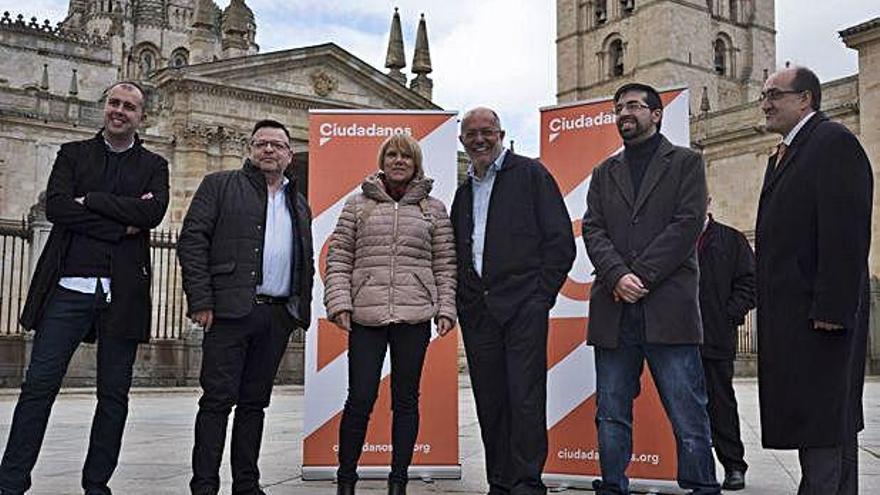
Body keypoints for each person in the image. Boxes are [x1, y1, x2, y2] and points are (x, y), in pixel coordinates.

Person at [0, 81, 169, 495]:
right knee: (38, 386)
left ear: (141, 117)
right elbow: (57, 207)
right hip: (68, 288)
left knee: (114, 397)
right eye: (114, 103)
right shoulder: (72, 154)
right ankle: (10, 482)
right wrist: (122, 224)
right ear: (103, 107)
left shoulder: (154, 164)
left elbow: (153, 213)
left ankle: (97, 485)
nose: (120, 111)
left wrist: (89, 200)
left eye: (129, 106)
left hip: (122, 293)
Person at [582, 83, 720, 494]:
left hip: (668, 309)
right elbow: (593, 228)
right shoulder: (604, 173)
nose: (625, 112)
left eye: (635, 106)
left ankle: (701, 486)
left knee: (687, 411)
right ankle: (612, 485)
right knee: (611, 413)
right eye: (619, 107)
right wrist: (616, 276)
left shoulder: (686, 163)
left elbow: (687, 223)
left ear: (656, 115)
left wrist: (637, 276)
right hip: (614, 310)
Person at [178, 119, 315, 495]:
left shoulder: (298, 202)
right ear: (250, 150)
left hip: (275, 316)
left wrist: (297, 312)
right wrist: (201, 301)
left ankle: (246, 484)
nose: (269, 150)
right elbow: (192, 241)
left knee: (255, 404)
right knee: (217, 401)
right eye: (261, 144)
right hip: (228, 313)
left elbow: (306, 259)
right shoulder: (219, 185)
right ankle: (204, 485)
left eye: (277, 145)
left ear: (289, 154)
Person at [755, 66, 872, 495]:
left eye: (775, 95)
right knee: (823, 423)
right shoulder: (784, 153)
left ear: (805, 99)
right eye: (763, 95)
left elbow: (846, 232)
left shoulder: (833, 143)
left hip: (821, 319)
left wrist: (833, 309)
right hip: (794, 318)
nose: (765, 103)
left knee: (825, 421)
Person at [450, 107, 575, 495]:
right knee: (490, 401)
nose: (479, 140)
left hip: (524, 308)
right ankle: (499, 482)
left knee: (524, 398)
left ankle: (526, 483)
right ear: (462, 141)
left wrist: (540, 298)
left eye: (486, 132)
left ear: (501, 134)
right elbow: (459, 250)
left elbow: (560, 243)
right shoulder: (463, 191)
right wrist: (464, 301)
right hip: (479, 313)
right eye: (471, 134)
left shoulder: (531, 174)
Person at [324, 134, 456, 495]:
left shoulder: (434, 209)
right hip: (366, 316)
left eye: (406, 156)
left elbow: (445, 263)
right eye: (392, 155)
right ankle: (346, 479)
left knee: (406, 400)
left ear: (416, 164)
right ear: (383, 161)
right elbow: (339, 259)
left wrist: (445, 307)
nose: (399, 161)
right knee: (360, 398)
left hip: (413, 317)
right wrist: (339, 303)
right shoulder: (357, 206)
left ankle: (398, 480)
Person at [697, 200, 755, 491]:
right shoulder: (673, 238)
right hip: (677, 339)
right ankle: (695, 469)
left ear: (708, 202)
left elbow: (749, 283)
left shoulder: (732, 239)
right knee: (684, 408)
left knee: (721, 404)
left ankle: (734, 465)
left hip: (717, 338)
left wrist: (728, 315)